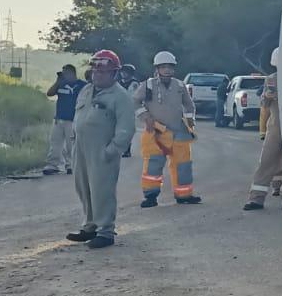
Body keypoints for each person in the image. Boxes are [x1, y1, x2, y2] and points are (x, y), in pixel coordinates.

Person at [65, 50, 134, 249]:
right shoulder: (86, 90)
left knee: (101, 190)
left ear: (114, 73)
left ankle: (105, 231)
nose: (97, 75)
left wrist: (112, 150)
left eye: (103, 72)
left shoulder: (121, 97)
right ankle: (90, 226)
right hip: (81, 148)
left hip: (102, 151)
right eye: (94, 71)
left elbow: (126, 129)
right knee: (84, 188)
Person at [134, 50, 200, 207]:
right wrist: (146, 117)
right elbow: (135, 102)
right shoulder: (147, 85)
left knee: (183, 165)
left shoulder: (179, 85)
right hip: (156, 131)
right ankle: (150, 197)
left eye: (170, 66)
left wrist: (190, 123)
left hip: (179, 131)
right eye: (163, 66)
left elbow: (189, 105)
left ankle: (184, 195)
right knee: (153, 166)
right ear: (157, 68)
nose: (167, 69)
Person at [245, 50, 282, 211]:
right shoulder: (270, 79)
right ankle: (256, 199)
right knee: (266, 162)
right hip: (275, 127)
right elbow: (263, 103)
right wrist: (268, 96)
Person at [43, 64, 83, 175]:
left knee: (71, 144)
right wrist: (57, 82)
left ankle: (71, 164)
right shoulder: (60, 85)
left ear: (71, 73)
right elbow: (49, 93)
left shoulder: (82, 86)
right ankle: (52, 164)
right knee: (55, 143)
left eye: (65, 73)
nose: (63, 75)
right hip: (59, 119)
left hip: (73, 119)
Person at [117, 64, 138, 157]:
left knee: (126, 130)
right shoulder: (118, 83)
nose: (123, 74)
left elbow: (134, 97)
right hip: (118, 108)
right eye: (122, 72)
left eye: (125, 72)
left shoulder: (134, 84)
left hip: (129, 109)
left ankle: (127, 149)